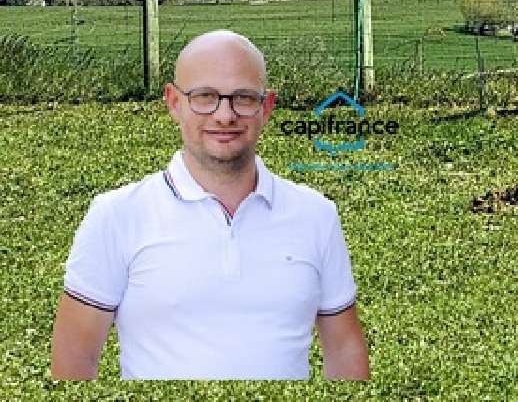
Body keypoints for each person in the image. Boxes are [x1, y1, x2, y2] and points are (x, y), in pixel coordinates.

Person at [50, 30, 370, 380]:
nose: (224, 115)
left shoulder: (317, 215)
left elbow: (344, 350)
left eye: (243, 98)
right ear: (174, 103)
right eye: (205, 97)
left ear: (267, 107)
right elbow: (75, 358)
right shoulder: (116, 216)